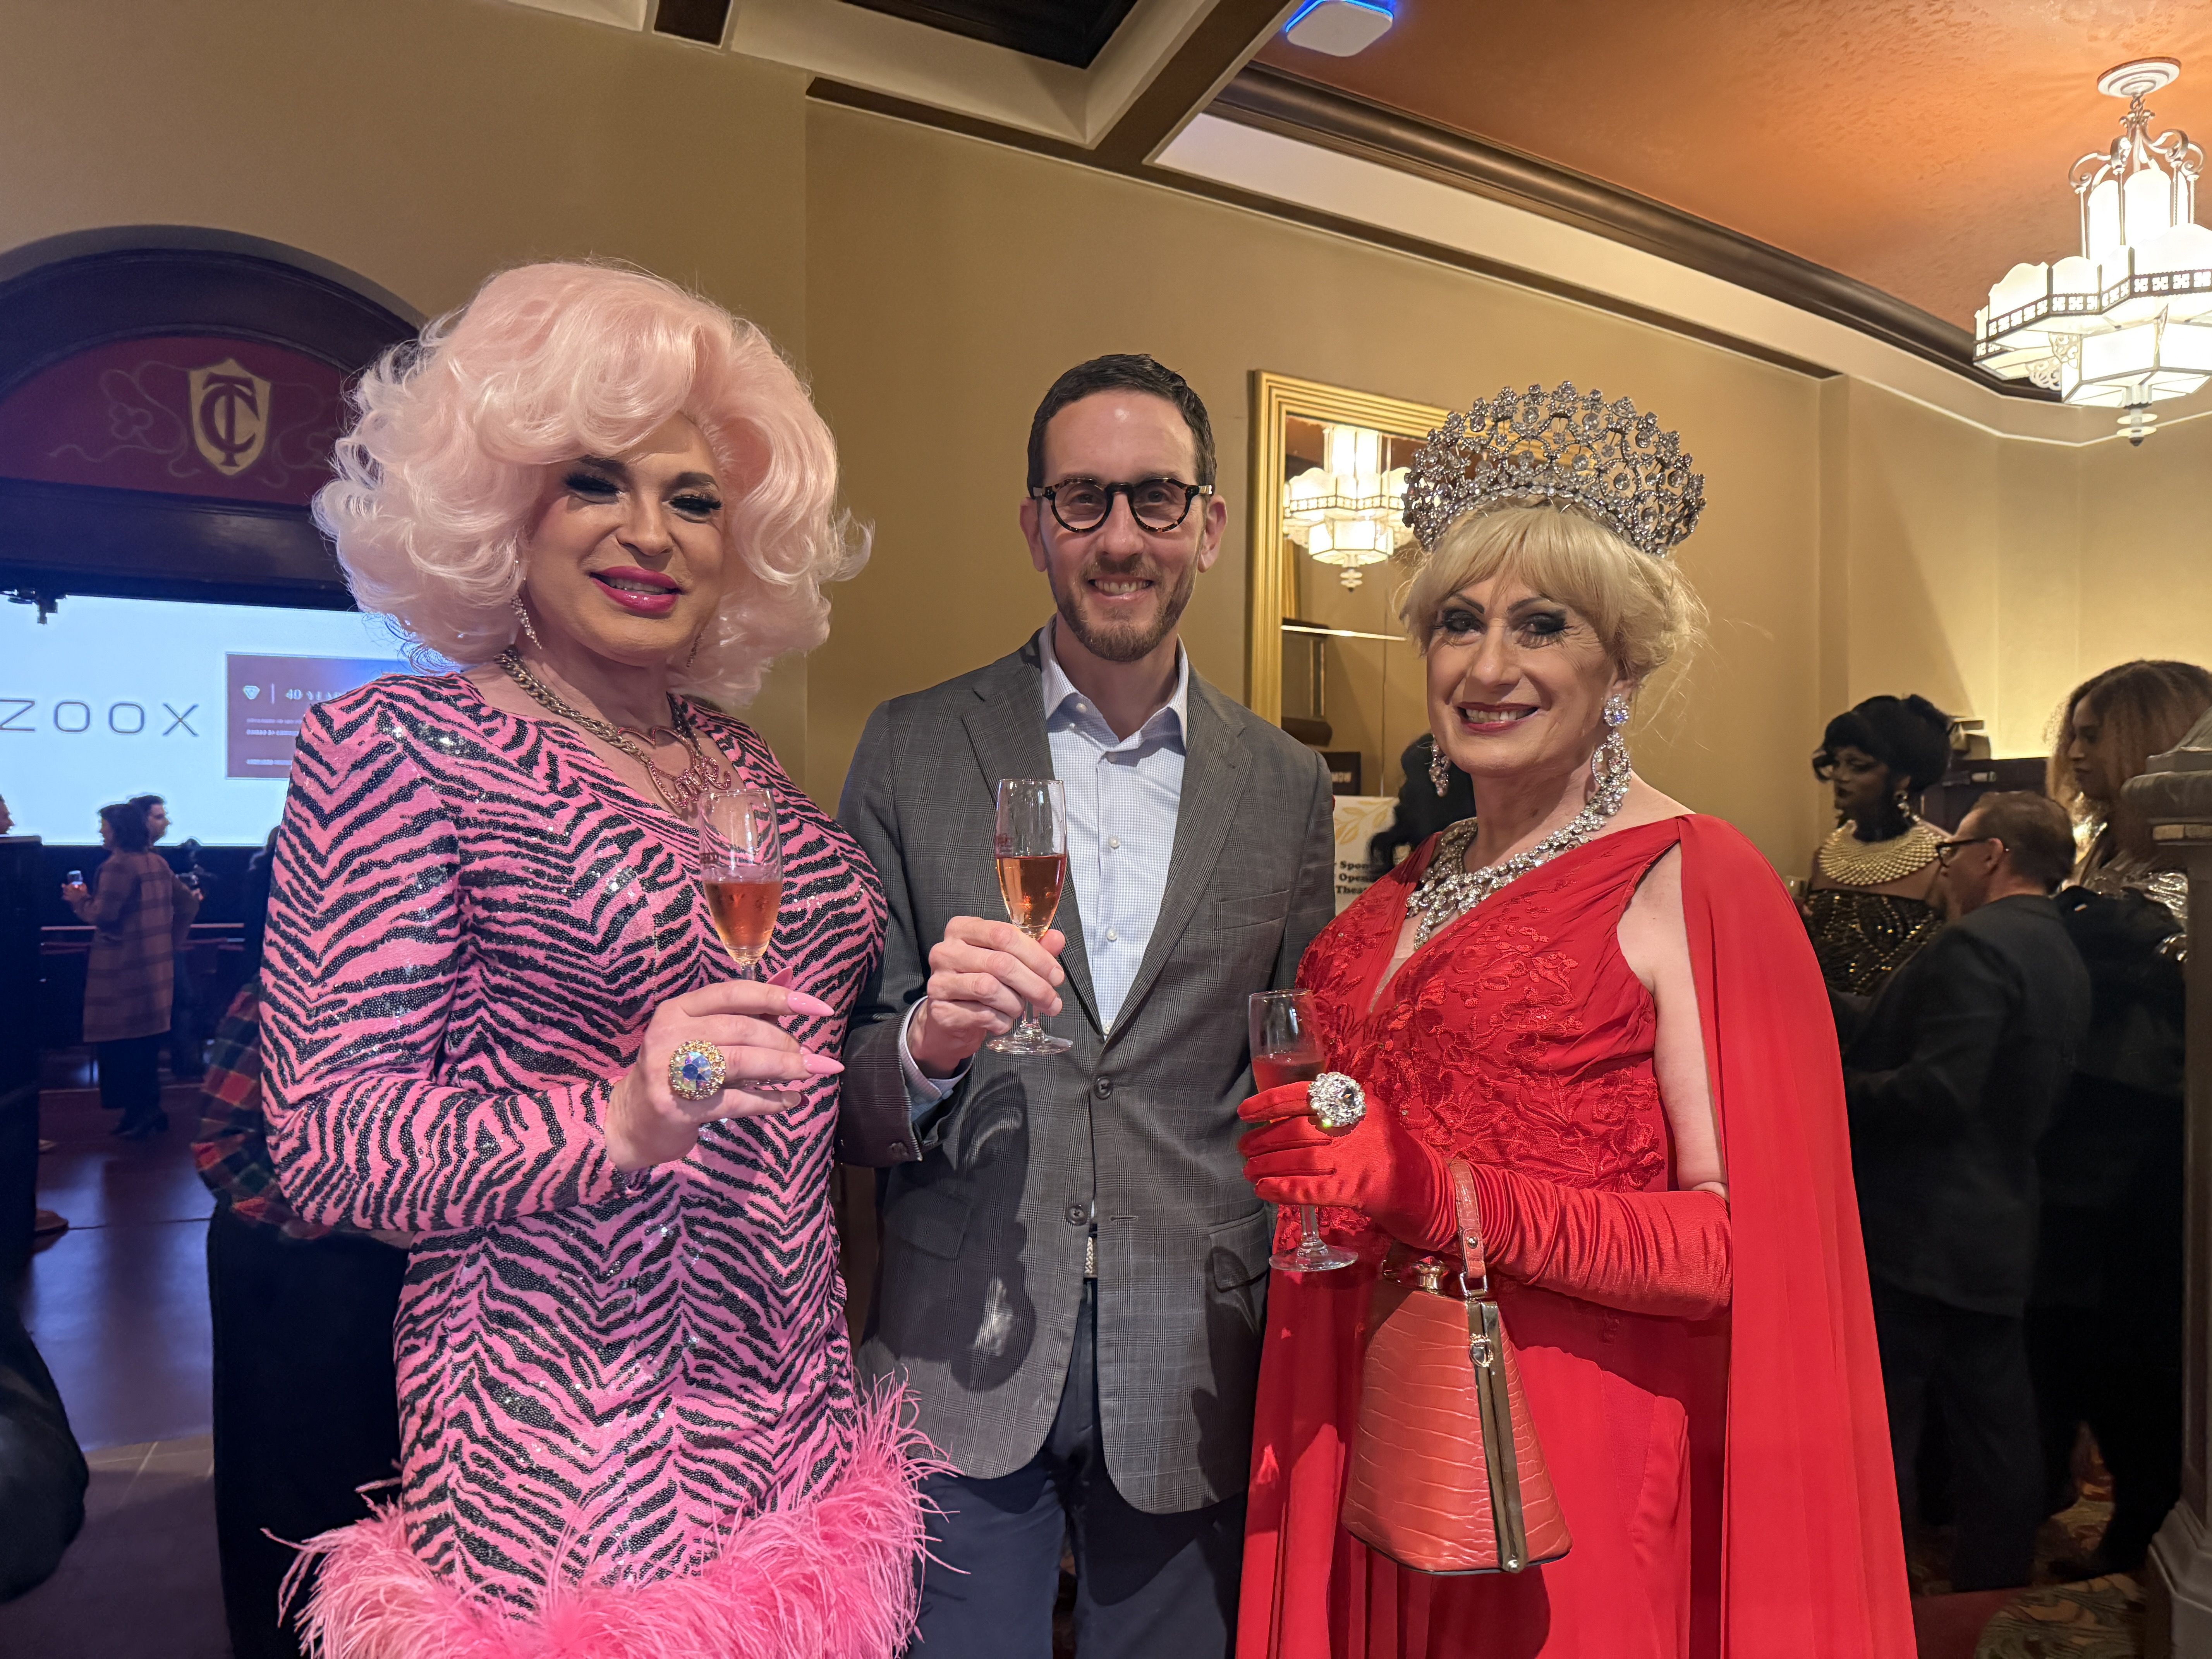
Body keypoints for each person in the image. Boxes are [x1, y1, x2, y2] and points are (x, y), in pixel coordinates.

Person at [260, 261, 927, 1657]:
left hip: (792, 1428)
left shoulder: (737, 761)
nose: (654, 534)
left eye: (694, 498)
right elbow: (330, 1143)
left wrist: (931, 1039)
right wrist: (621, 1115)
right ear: (503, 509)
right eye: (594, 484)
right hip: (566, 1463)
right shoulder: (401, 750)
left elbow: (811, 1051)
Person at [1235, 382, 1913, 1657]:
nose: (1487, 666)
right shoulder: (1405, 885)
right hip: (1360, 1400)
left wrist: (1440, 1196)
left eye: (1540, 624)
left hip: (1561, 1448)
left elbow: (1729, 1248)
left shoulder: (1693, 877)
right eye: (1457, 623)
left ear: (1622, 663)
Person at [835, 353, 1335, 1656]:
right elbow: (846, 1083)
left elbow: (1297, 1052)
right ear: (1034, 524)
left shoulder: (1284, 785)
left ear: (1211, 526)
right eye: (1083, 500)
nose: (1120, 538)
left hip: (1198, 1347)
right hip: (961, 1345)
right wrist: (931, 1050)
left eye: (1156, 499)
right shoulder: (909, 744)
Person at [1840, 791, 2090, 1592]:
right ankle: (1994, 1580)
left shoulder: (1976, 944)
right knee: (1996, 1423)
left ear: (1994, 857)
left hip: (1926, 1221)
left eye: (1953, 854)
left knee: (1890, 1418)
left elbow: (1939, 1093)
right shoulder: (2055, 942)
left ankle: (1879, 1584)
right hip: (2001, 1209)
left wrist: (1827, 1089)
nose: (1943, 870)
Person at [195, 824, 409, 1659]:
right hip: (294, 1275)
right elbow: (223, 1145)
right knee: (292, 1499)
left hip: (387, 1275)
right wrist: (354, 1215)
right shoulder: (296, 990)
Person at [2030, 659, 2212, 1576]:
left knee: (2145, 1360)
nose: (2076, 752)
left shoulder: (2187, 867)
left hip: (2148, 1155)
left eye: (2097, 733)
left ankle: (2147, 1527)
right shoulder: (2105, 854)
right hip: (2082, 1145)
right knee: (2090, 1352)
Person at [61, 801, 199, 1137]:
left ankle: (138, 1114)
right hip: (155, 968)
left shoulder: (119, 866)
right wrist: (171, 942)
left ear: (118, 830)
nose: (100, 832)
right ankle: (146, 1112)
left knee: (122, 1045)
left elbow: (104, 915)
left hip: (121, 971)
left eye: (104, 826)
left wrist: (78, 900)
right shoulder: (156, 862)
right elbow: (189, 903)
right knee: (146, 1045)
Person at [1804, 694, 1954, 994]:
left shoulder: (1945, 861)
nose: (1841, 777)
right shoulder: (1826, 855)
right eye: (1837, 762)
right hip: (1824, 1028)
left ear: (1903, 779)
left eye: (1858, 766)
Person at [131, 792, 206, 1081]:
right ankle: (185, 1066)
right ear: (141, 821)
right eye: (159, 817)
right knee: (181, 1002)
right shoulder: (147, 862)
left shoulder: (152, 860)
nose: (168, 823)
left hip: (157, 946)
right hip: (156, 948)